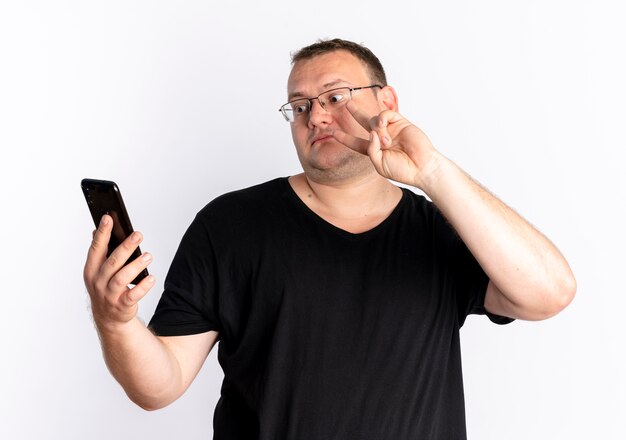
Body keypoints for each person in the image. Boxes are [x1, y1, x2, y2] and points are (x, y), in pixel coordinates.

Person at [83, 38, 576, 439]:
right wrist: (117, 322)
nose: (315, 117)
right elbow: (159, 386)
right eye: (298, 107)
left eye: (335, 98)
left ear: (387, 103)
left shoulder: (442, 228)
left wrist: (431, 170)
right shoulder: (230, 225)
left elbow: (549, 294)